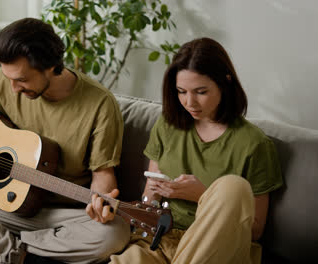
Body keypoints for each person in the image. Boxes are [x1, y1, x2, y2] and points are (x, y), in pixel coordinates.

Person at [0, 18, 130, 264]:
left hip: (60, 213)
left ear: (51, 66)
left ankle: (9, 246)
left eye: (22, 80)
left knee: (113, 234)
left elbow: (103, 174)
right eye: (8, 77)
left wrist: (100, 206)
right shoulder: (2, 81)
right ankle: (26, 254)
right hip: (1, 208)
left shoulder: (101, 105)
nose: (13, 88)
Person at [109, 37, 283, 264]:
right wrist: (153, 193)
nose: (189, 102)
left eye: (201, 92)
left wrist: (202, 195)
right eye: (181, 91)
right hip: (160, 241)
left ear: (225, 83)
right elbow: (148, 204)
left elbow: (255, 231)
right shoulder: (167, 125)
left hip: (216, 248)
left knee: (233, 187)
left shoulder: (254, 144)